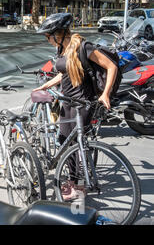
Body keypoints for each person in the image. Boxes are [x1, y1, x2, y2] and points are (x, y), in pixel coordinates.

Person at [32, 13, 118, 200]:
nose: (48, 40)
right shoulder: (63, 49)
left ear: (59, 33)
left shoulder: (83, 47)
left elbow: (111, 66)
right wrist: (46, 85)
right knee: (65, 141)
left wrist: (105, 94)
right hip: (67, 101)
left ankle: (80, 186)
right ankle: (72, 183)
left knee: (79, 145)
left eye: (48, 36)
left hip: (83, 103)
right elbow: (66, 73)